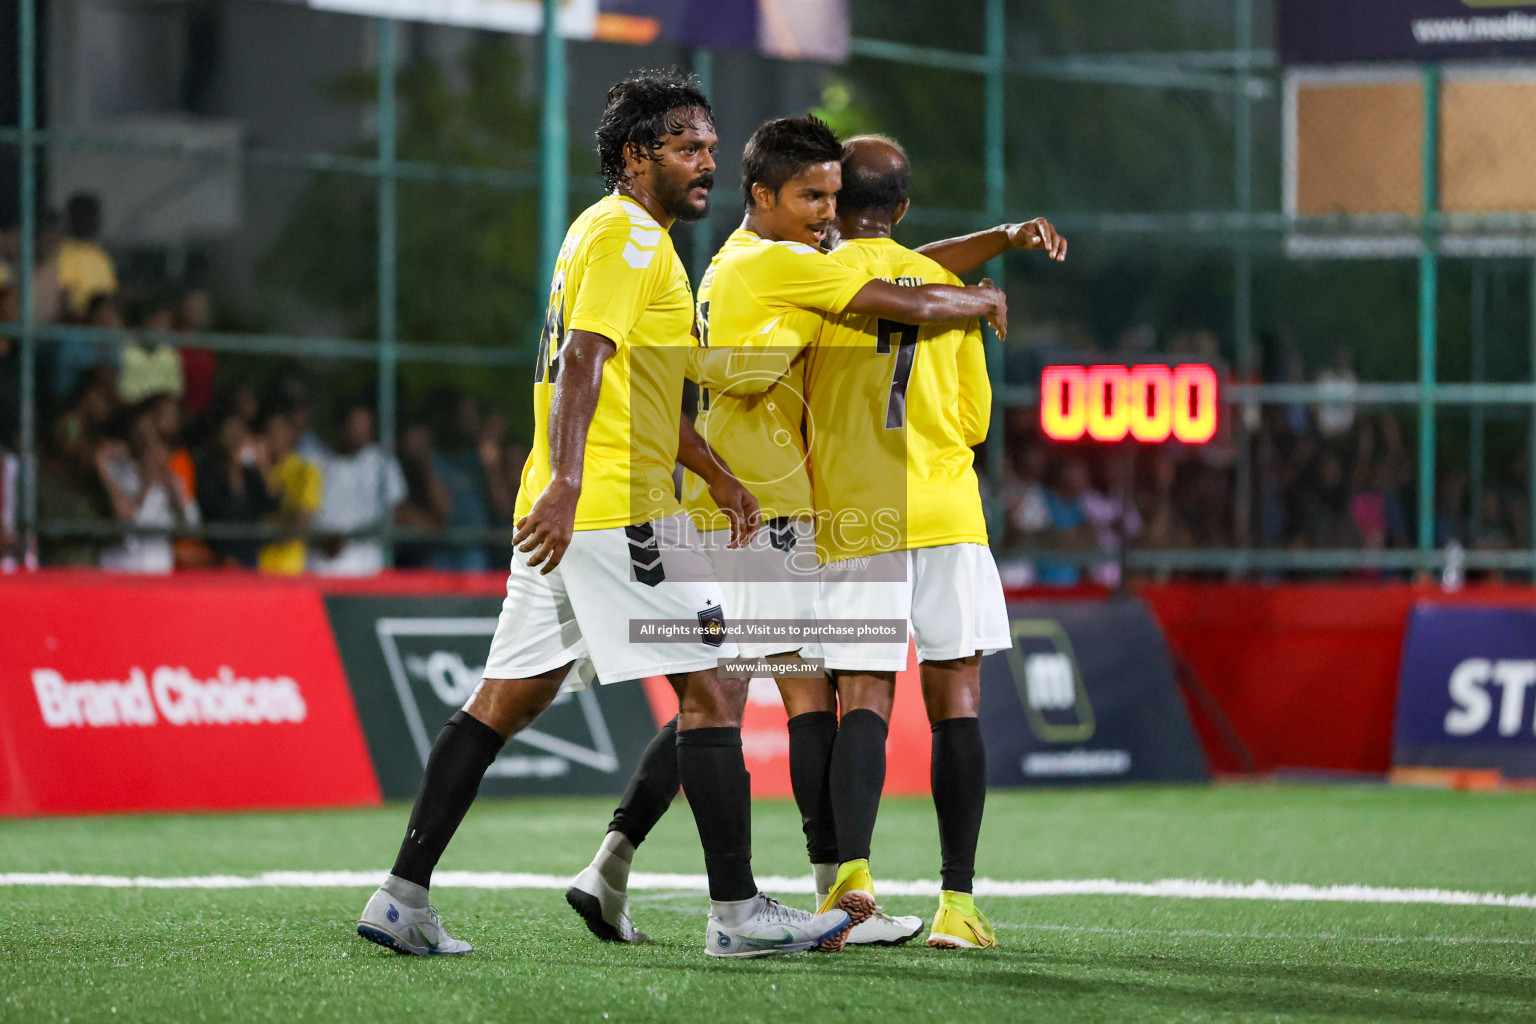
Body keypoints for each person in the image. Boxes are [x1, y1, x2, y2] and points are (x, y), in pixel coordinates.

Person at [354, 70, 851, 960]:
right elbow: (585, 358)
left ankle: (401, 895)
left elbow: (646, 397)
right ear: (636, 156)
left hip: (582, 509)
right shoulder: (627, 235)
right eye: (687, 146)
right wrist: (570, 480)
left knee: (501, 701)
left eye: (709, 145)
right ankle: (737, 913)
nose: (706, 162)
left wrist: (720, 476)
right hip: (615, 510)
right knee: (712, 683)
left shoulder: (618, 237)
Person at [565, 115, 1010, 951]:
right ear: (762, 196)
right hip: (755, 513)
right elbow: (772, 353)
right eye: (810, 198)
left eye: (835, 199)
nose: (825, 216)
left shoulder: (761, 263)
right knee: (760, 696)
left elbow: (879, 277)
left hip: (754, 507)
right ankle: (828, 904)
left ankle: (614, 864)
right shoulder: (771, 266)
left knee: (725, 694)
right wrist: (981, 290)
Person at [307, 401, 406, 576]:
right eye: (355, 422)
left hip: (366, 570)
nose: (360, 429)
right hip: (322, 569)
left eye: (365, 423)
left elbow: (396, 512)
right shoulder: (316, 459)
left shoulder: (382, 462)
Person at [257, 408, 322, 575]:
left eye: (279, 431)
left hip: (289, 570)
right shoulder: (254, 471)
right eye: (268, 432)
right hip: (255, 569)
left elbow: (301, 522)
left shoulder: (306, 471)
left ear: (292, 435)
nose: (273, 438)